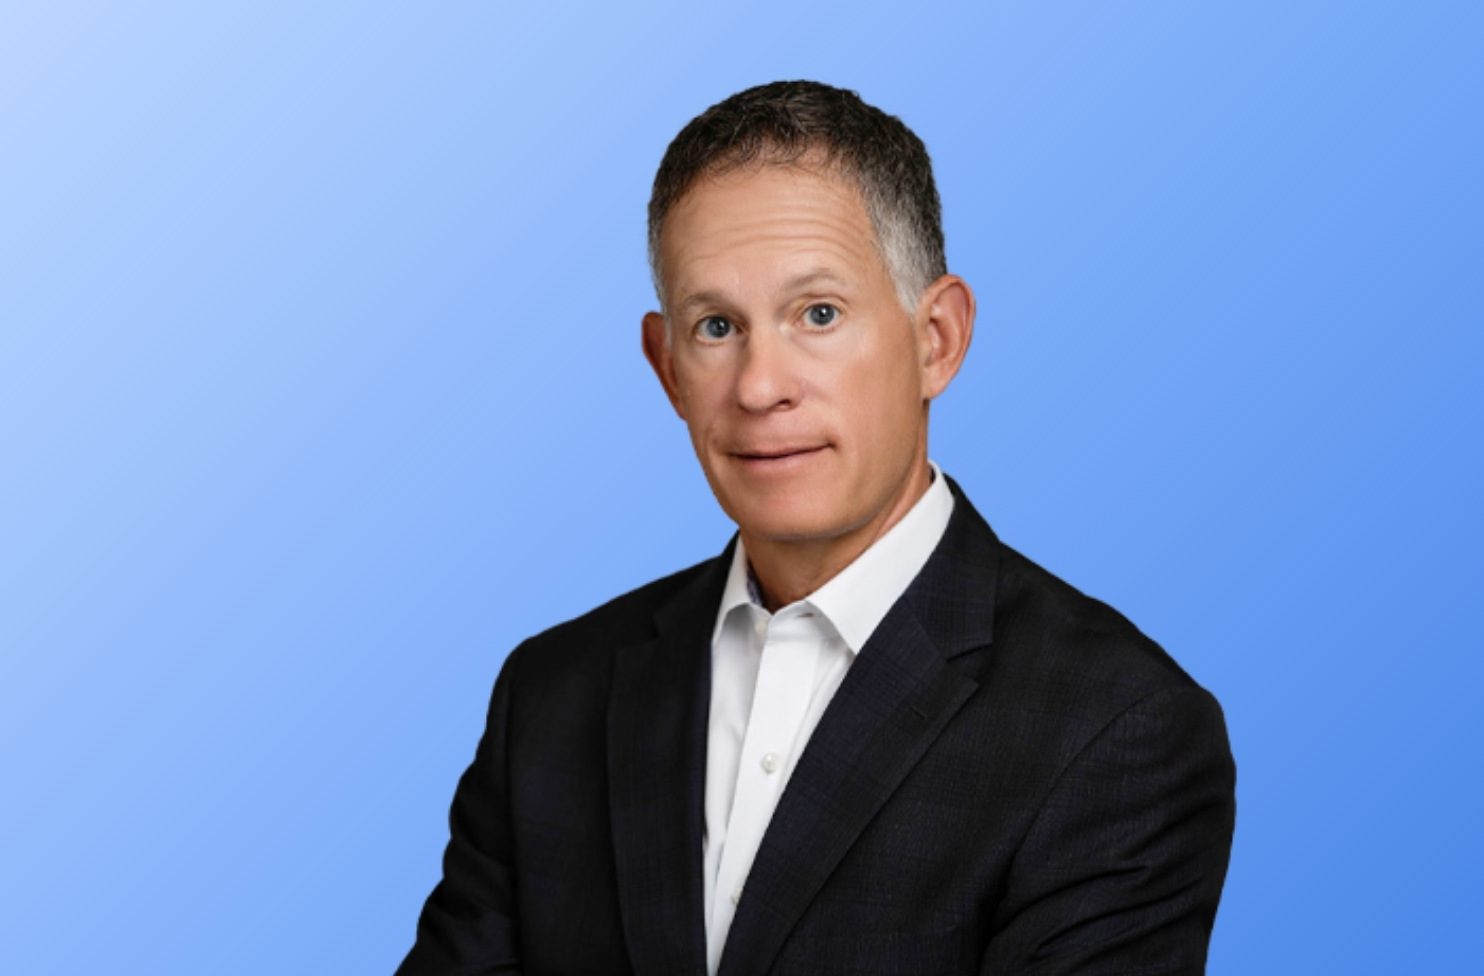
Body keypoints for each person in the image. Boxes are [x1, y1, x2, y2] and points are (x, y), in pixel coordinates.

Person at [397, 80, 1235, 976]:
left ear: (937, 339)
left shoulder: (1117, 729)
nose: (761, 386)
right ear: (667, 367)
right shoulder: (553, 697)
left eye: (819, 315)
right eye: (716, 326)